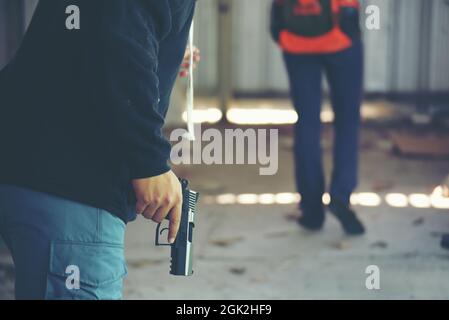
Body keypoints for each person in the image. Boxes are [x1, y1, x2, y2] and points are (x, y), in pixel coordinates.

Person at [0, 0, 198, 300]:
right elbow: (118, 41)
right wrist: (149, 161)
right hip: (72, 182)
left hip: (33, 162)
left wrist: (154, 51)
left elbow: (100, 28)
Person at [271, 0, 365, 235]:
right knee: (347, 120)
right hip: (341, 34)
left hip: (295, 35)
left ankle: (312, 210)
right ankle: (341, 195)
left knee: (307, 123)